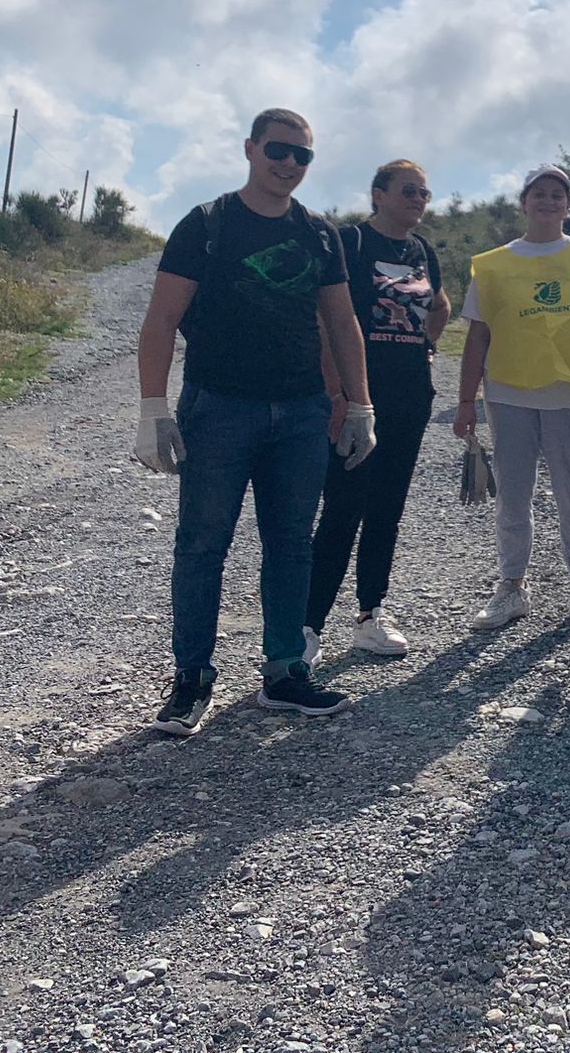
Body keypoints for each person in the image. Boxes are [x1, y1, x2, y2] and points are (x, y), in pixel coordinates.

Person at [135, 108, 373, 735]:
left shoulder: (320, 235)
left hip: (301, 412)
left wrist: (360, 404)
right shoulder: (206, 225)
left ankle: (285, 671)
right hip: (218, 408)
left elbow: (342, 321)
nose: (289, 163)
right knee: (202, 544)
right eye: (278, 150)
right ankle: (191, 679)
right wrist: (153, 408)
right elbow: (161, 319)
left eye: (302, 155)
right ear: (250, 149)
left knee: (291, 544)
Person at [452, 164, 570, 633]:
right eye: (539, 193)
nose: (548, 201)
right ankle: (511, 586)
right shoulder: (493, 265)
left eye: (557, 194)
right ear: (523, 202)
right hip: (508, 394)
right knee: (513, 494)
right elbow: (478, 336)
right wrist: (466, 401)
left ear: (568, 205)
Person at [303, 159, 449, 664]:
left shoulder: (422, 250)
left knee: (387, 509)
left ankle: (371, 615)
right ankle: (307, 626)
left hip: (410, 397)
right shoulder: (351, 242)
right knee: (343, 508)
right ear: (378, 194)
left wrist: (425, 347)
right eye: (408, 190)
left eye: (424, 193)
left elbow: (440, 306)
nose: (418, 200)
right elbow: (325, 319)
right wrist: (337, 393)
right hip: (357, 398)